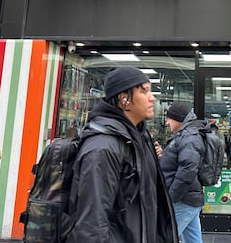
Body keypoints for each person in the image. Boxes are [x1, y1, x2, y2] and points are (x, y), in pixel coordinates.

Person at [67, 67, 178, 243]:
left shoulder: (140, 137)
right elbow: (92, 225)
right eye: (144, 91)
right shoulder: (103, 147)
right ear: (124, 98)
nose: (152, 98)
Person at [159, 102, 205, 243]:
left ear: (178, 119)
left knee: (164, 237)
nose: (167, 123)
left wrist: (171, 197)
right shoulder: (186, 135)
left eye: (169, 118)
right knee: (193, 240)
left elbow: (187, 170)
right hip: (189, 199)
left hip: (183, 200)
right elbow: (182, 162)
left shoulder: (189, 137)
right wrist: (163, 155)